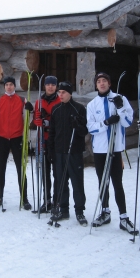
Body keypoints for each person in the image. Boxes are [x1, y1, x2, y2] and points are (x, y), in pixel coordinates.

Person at [86, 72, 138, 234]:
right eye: (99, 81)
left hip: (115, 149)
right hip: (100, 150)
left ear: (109, 83)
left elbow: (128, 121)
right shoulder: (92, 104)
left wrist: (121, 108)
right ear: (96, 85)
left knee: (117, 183)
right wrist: (106, 122)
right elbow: (91, 127)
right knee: (103, 183)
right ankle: (105, 212)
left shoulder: (119, 99)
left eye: (105, 81)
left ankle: (124, 217)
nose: (102, 84)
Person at [0, 75, 33, 211]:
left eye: (11, 85)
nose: (9, 87)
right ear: (4, 87)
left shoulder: (21, 100)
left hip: (16, 138)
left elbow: (28, 120)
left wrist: (30, 110)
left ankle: (24, 198)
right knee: (1, 169)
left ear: (15, 86)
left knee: (21, 168)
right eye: (7, 85)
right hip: (2, 138)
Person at [48, 81, 88, 226]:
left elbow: (85, 131)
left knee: (77, 182)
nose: (60, 95)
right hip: (59, 152)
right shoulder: (55, 109)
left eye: (63, 92)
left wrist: (78, 126)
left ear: (70, 93)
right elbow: (52, 132)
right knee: (60, 182)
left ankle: (79, 211)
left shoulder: (79, 109)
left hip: (74, 152)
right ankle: (63, 209)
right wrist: (51, 150)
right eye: (59, 92)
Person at [32, 75, 61, 213]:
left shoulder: (60, 100)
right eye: (48, 84)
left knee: (57, 172)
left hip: (55, 140)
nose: (50, 87)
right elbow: (35, 121)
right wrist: (38, 120)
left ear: (56, 86)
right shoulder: (39, 101)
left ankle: (57, 201)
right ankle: (47, 200)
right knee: (44, 172)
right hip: (42, 139)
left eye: (53, 85)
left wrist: (47, 121)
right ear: (44, 86)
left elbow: (61, 121)